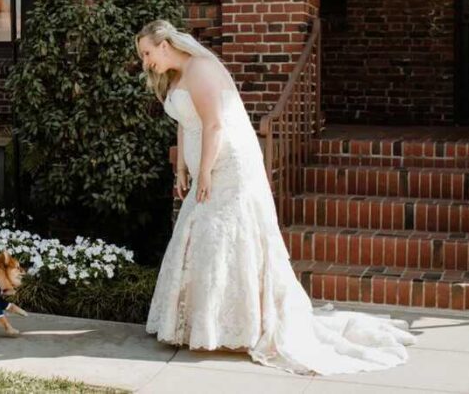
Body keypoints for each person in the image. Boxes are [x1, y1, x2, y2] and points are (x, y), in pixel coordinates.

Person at [136, 19, 414, 375]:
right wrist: (181, 169)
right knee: (203, 237)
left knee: (222, 236)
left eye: (147, 53)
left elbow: (214, 124)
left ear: (164, 44)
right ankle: (203, 325)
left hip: (227, 166)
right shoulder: (177, 76)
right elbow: (184, 119)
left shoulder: (202, 68)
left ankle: (238, 325)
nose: (146, 61)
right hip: (206, 163)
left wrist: (204, 170)